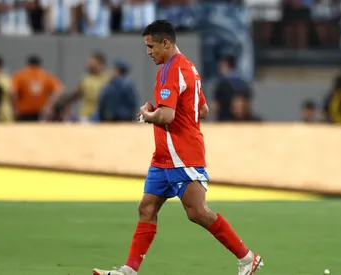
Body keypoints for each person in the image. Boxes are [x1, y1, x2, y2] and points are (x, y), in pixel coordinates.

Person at [93, 20, 263, 275]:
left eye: (151, 47)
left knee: (197, 212)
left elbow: (167, 116)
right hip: (164, 156)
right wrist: (164, 113)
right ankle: (128, 271)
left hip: (182, 155)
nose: (148, 52)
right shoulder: (189, 68)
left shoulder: (171, 70)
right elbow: (202, 109)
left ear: (166, 43)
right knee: (147, 207)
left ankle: (248, 258)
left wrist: (146, 114)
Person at [11, 55, 64, 121]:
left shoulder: (20, 75)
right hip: (41, 112)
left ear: (28, 64)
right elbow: (59, 90)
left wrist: (14, 108)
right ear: (39, 65)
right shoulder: (46, 76)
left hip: (23, 112)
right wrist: (49, 106)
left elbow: (13, 92)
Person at [65, 52, 111, 122]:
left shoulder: (109, 79)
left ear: (101, 64)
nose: (88, 65)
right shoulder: (85, 80)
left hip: (103, 116)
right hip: (86, 116)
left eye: (91, 63)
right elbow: (74, 96)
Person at [212, 55, 253, 122]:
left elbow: (216, 106)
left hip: (226, 120)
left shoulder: (222, 84)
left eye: (222, 65)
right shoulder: (243, 82)